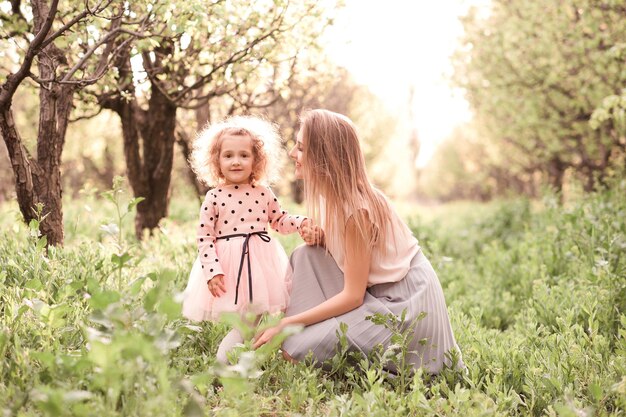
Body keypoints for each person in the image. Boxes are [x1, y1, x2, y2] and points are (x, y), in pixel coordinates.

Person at [253, 109, 464, 374]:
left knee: (296, 349)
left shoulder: (357, 210)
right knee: (305, 255)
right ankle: (312, 331)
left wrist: (289, 323)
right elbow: (358, 255)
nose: (294, 154)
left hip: (405, 307)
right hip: (379, 293)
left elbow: (353, 296)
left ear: (324, 157)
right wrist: (324, 238)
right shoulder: (336, 197)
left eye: (302, 148)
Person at [182, 115, 308, 364]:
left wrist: (301, 222)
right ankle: (228, 360)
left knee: (252, 315)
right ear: (216, 161)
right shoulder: (214, 197)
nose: (236, 162)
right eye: (228, 156)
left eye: (244, 155)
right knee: (243, 320)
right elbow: (205, 237)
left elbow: (279, 221)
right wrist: (212, 270)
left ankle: (231, 360)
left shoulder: (263, 193)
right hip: (229, 267)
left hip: (260, 264)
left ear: (256, 160)